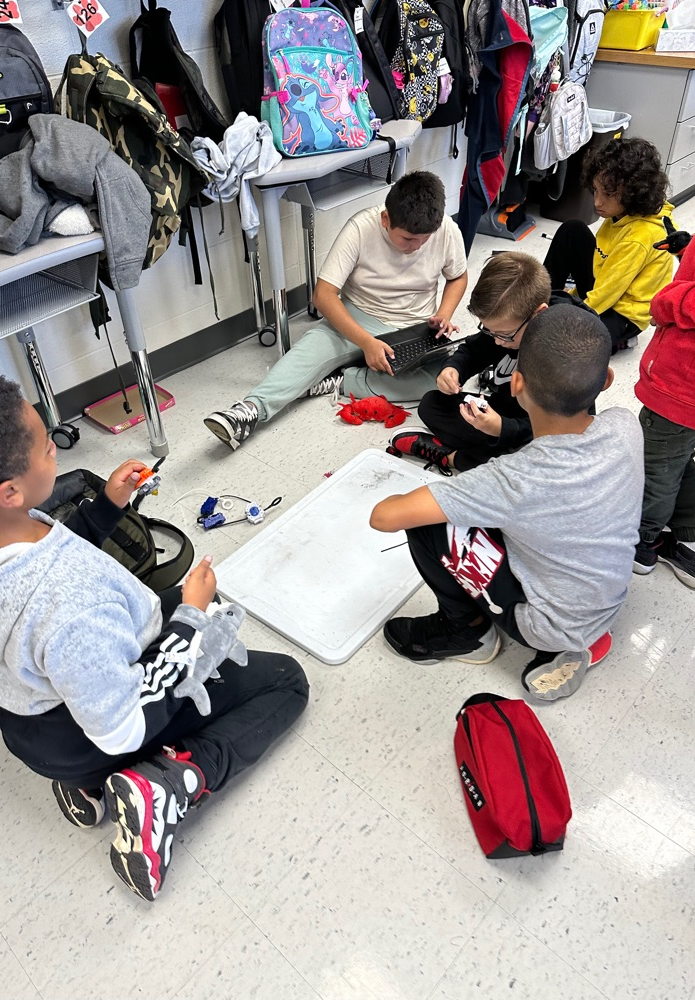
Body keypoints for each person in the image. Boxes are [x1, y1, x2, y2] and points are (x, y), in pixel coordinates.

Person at [0, 375, 309, 902]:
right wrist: (188, 621)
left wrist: (106, 507)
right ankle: (169, 784)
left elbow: (37, 555)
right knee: (285, 681)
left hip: (32, 720)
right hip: (89, 732)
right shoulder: (69, 604)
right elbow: (121, 723)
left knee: (182, 603)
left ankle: (89, 785)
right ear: (9, 492)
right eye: (46, 446)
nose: (55, 447)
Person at [370, 305, 644, 702]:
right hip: (607, 601)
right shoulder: (624, 424)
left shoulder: (513, 479)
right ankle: (580, 638)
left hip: (545, 624)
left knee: (428, 523)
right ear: (606, 380)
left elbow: (385, 517)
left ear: (516, 384)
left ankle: (466, 633)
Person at [203, 171, 468, 450]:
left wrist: (444, 314)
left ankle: (342, 381)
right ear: (386, 219)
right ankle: (248, 412)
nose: (416, 247)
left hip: (414, 327)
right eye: (408, 239)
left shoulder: (446, 230)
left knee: (446, 380)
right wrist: (366, 343)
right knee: (308, 353)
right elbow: (323, 295)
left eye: (424, 239)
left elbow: (457, 277)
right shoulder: (360, 228)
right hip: (359, 317)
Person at [388, 251, 593, 475]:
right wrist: (452, 369)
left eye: (503, 334)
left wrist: (501, 428)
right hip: (500, 411)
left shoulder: (568, 352)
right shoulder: (508, 322)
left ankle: (453, 458)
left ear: (538, 314)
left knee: (540, 461)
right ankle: (484, 456)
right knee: (431, 404)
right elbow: (472, 351)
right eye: (488, 330)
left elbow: (562, 428)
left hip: (541, 427)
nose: (496, 340)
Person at [542, 137, 675, 353]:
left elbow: (608, 291)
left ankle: (619, 339)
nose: (597, 202)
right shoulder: (620, 212)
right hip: (608, 285)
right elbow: (602, 264)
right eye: (595, 190)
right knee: (572, 229)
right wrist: (563, 299)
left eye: (609, 194)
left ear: (634, 192)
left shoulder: (640, 236)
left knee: (564, 342)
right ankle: (538, 295)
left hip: (623, 313)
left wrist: (567, 311)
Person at [632, 218, 695, 589]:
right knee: (672, 457)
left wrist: (671, 298)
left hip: (682, 388)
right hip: (685, 387)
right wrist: (689, 252)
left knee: (655, 472)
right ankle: (692, 537)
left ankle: (642, 545)